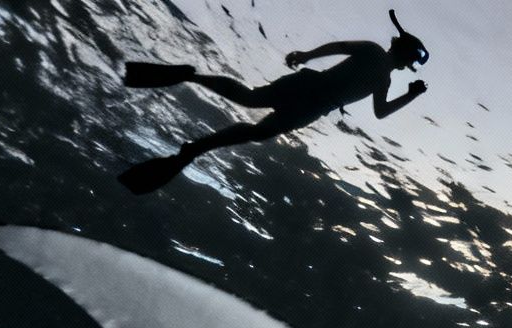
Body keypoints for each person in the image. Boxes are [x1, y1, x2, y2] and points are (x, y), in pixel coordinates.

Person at [116, 9, 431, 194]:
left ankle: (193, 144)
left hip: (312, 103)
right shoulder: (374, 52)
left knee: (255, 120)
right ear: (405, 53)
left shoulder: (384, 78)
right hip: (311, 95)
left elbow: (380, 111)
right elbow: (339, 47)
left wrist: (411, 95)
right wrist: (306, 55)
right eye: (413, 57)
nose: (410, 63)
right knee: (252, 105)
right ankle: (191, 95)